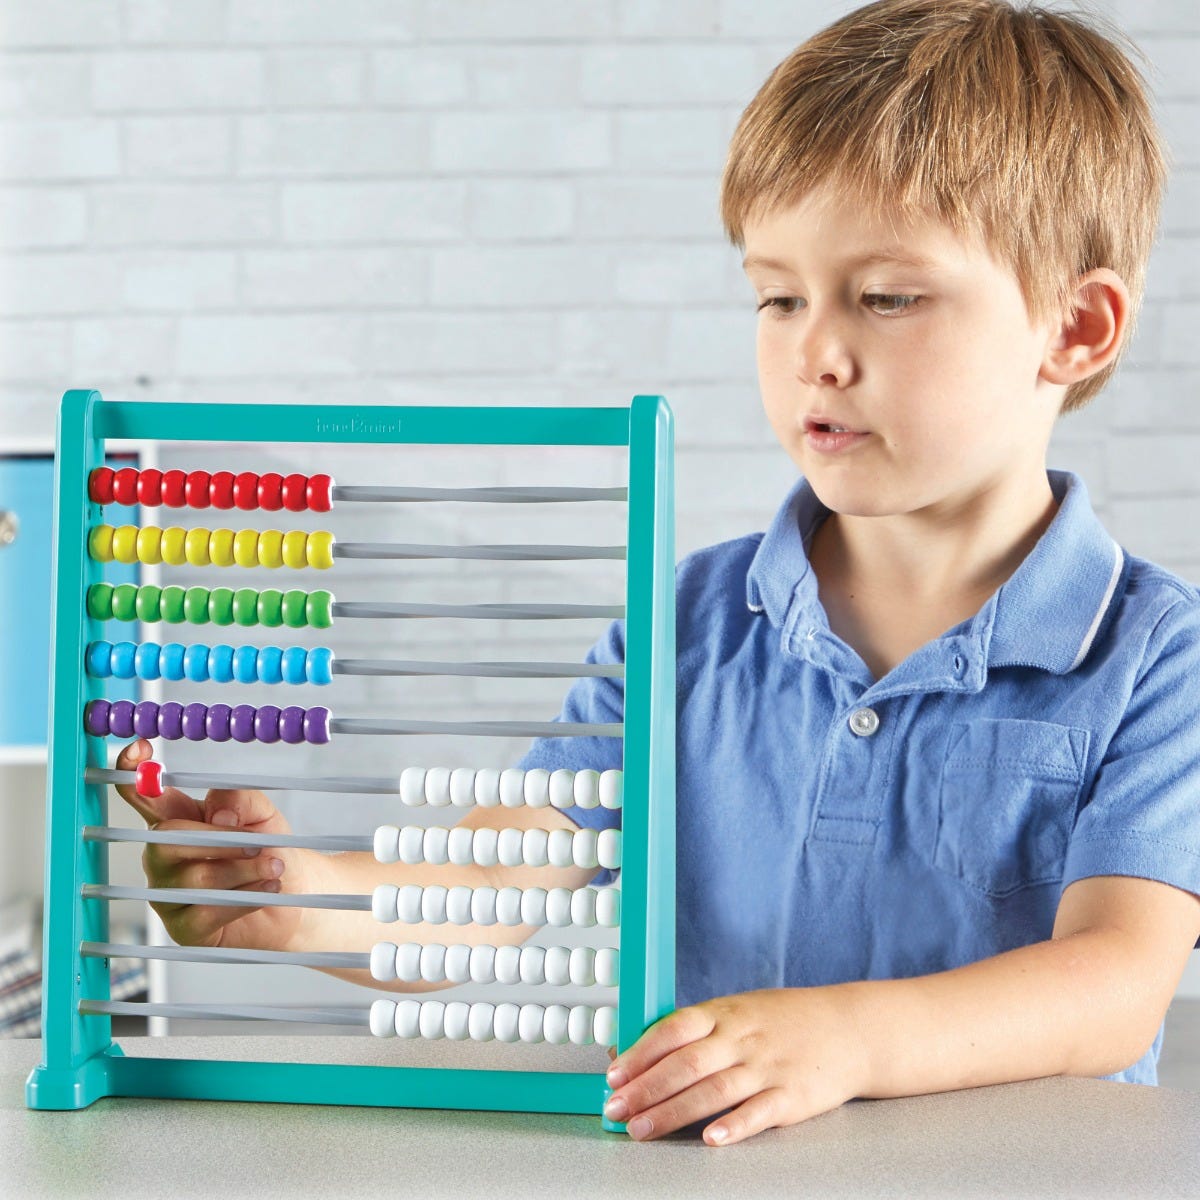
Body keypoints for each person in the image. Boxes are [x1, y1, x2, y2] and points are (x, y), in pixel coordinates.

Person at [114, 0, 1200, 1149]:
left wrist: (846, 1041)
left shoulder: (1152, 657)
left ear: (1075, 328)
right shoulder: (681, 627)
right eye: (778, 296)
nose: (813, 354)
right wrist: (286, 901)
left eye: (887, 297)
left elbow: (1115, 982)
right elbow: (483, 896)